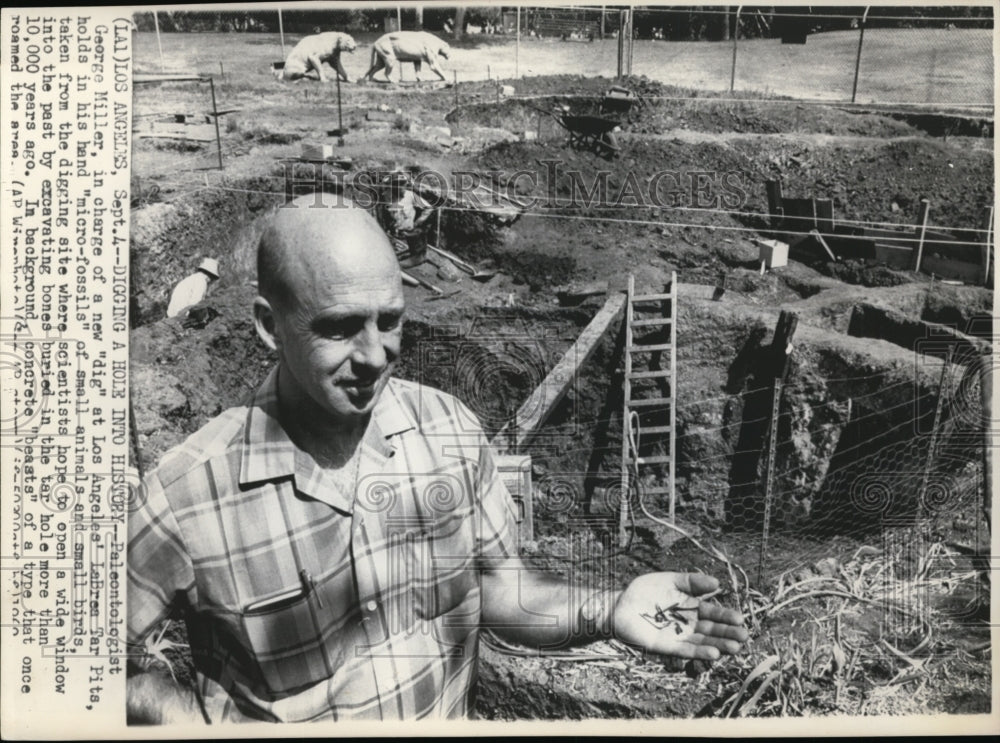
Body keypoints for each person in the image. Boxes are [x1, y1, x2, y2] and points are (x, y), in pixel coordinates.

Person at [127, 197, 749, 723]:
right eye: (341, 328)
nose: (376, 355)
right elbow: (75, 671)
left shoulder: (448, 429)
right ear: (269, 327)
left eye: (391, 321)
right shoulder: (188, 494)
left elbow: (501, 587)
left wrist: (609, 609)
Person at [376, 169, 435, 267]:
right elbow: (382, 213)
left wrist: (418, 222)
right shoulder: (387, 196)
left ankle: (417, 256)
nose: (401, 187)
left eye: (403, 184)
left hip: (409, 233)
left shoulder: (410, 195)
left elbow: (429, 208)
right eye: (398, 184)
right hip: (395, 235)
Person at [277, 30, 357, 83]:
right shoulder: (327, 47)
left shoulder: (334, 48)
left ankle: (300, 77)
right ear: (340, 41)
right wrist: (322, 77)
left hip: (293, 70)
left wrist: (346, 77)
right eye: (347, 42)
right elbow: (313, 58)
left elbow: (335, 63)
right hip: (294, 69)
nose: (353, 45)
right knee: (299, 73)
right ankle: (301, 77)